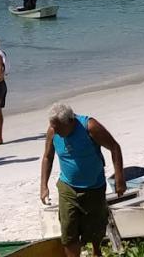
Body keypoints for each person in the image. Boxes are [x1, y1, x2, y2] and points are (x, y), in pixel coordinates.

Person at [39, 102, 126, 257]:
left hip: (94, 186)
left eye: (58, 127)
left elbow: (114, 147)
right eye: (53, 126)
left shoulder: (90, 127)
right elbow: (47, 157)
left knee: (96, 228)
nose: (55, 131)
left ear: (70, 121)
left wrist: (119, 178)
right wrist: (43, 186)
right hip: (68, 187)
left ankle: (96, 252)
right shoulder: (53, 131)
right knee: (68, 230)